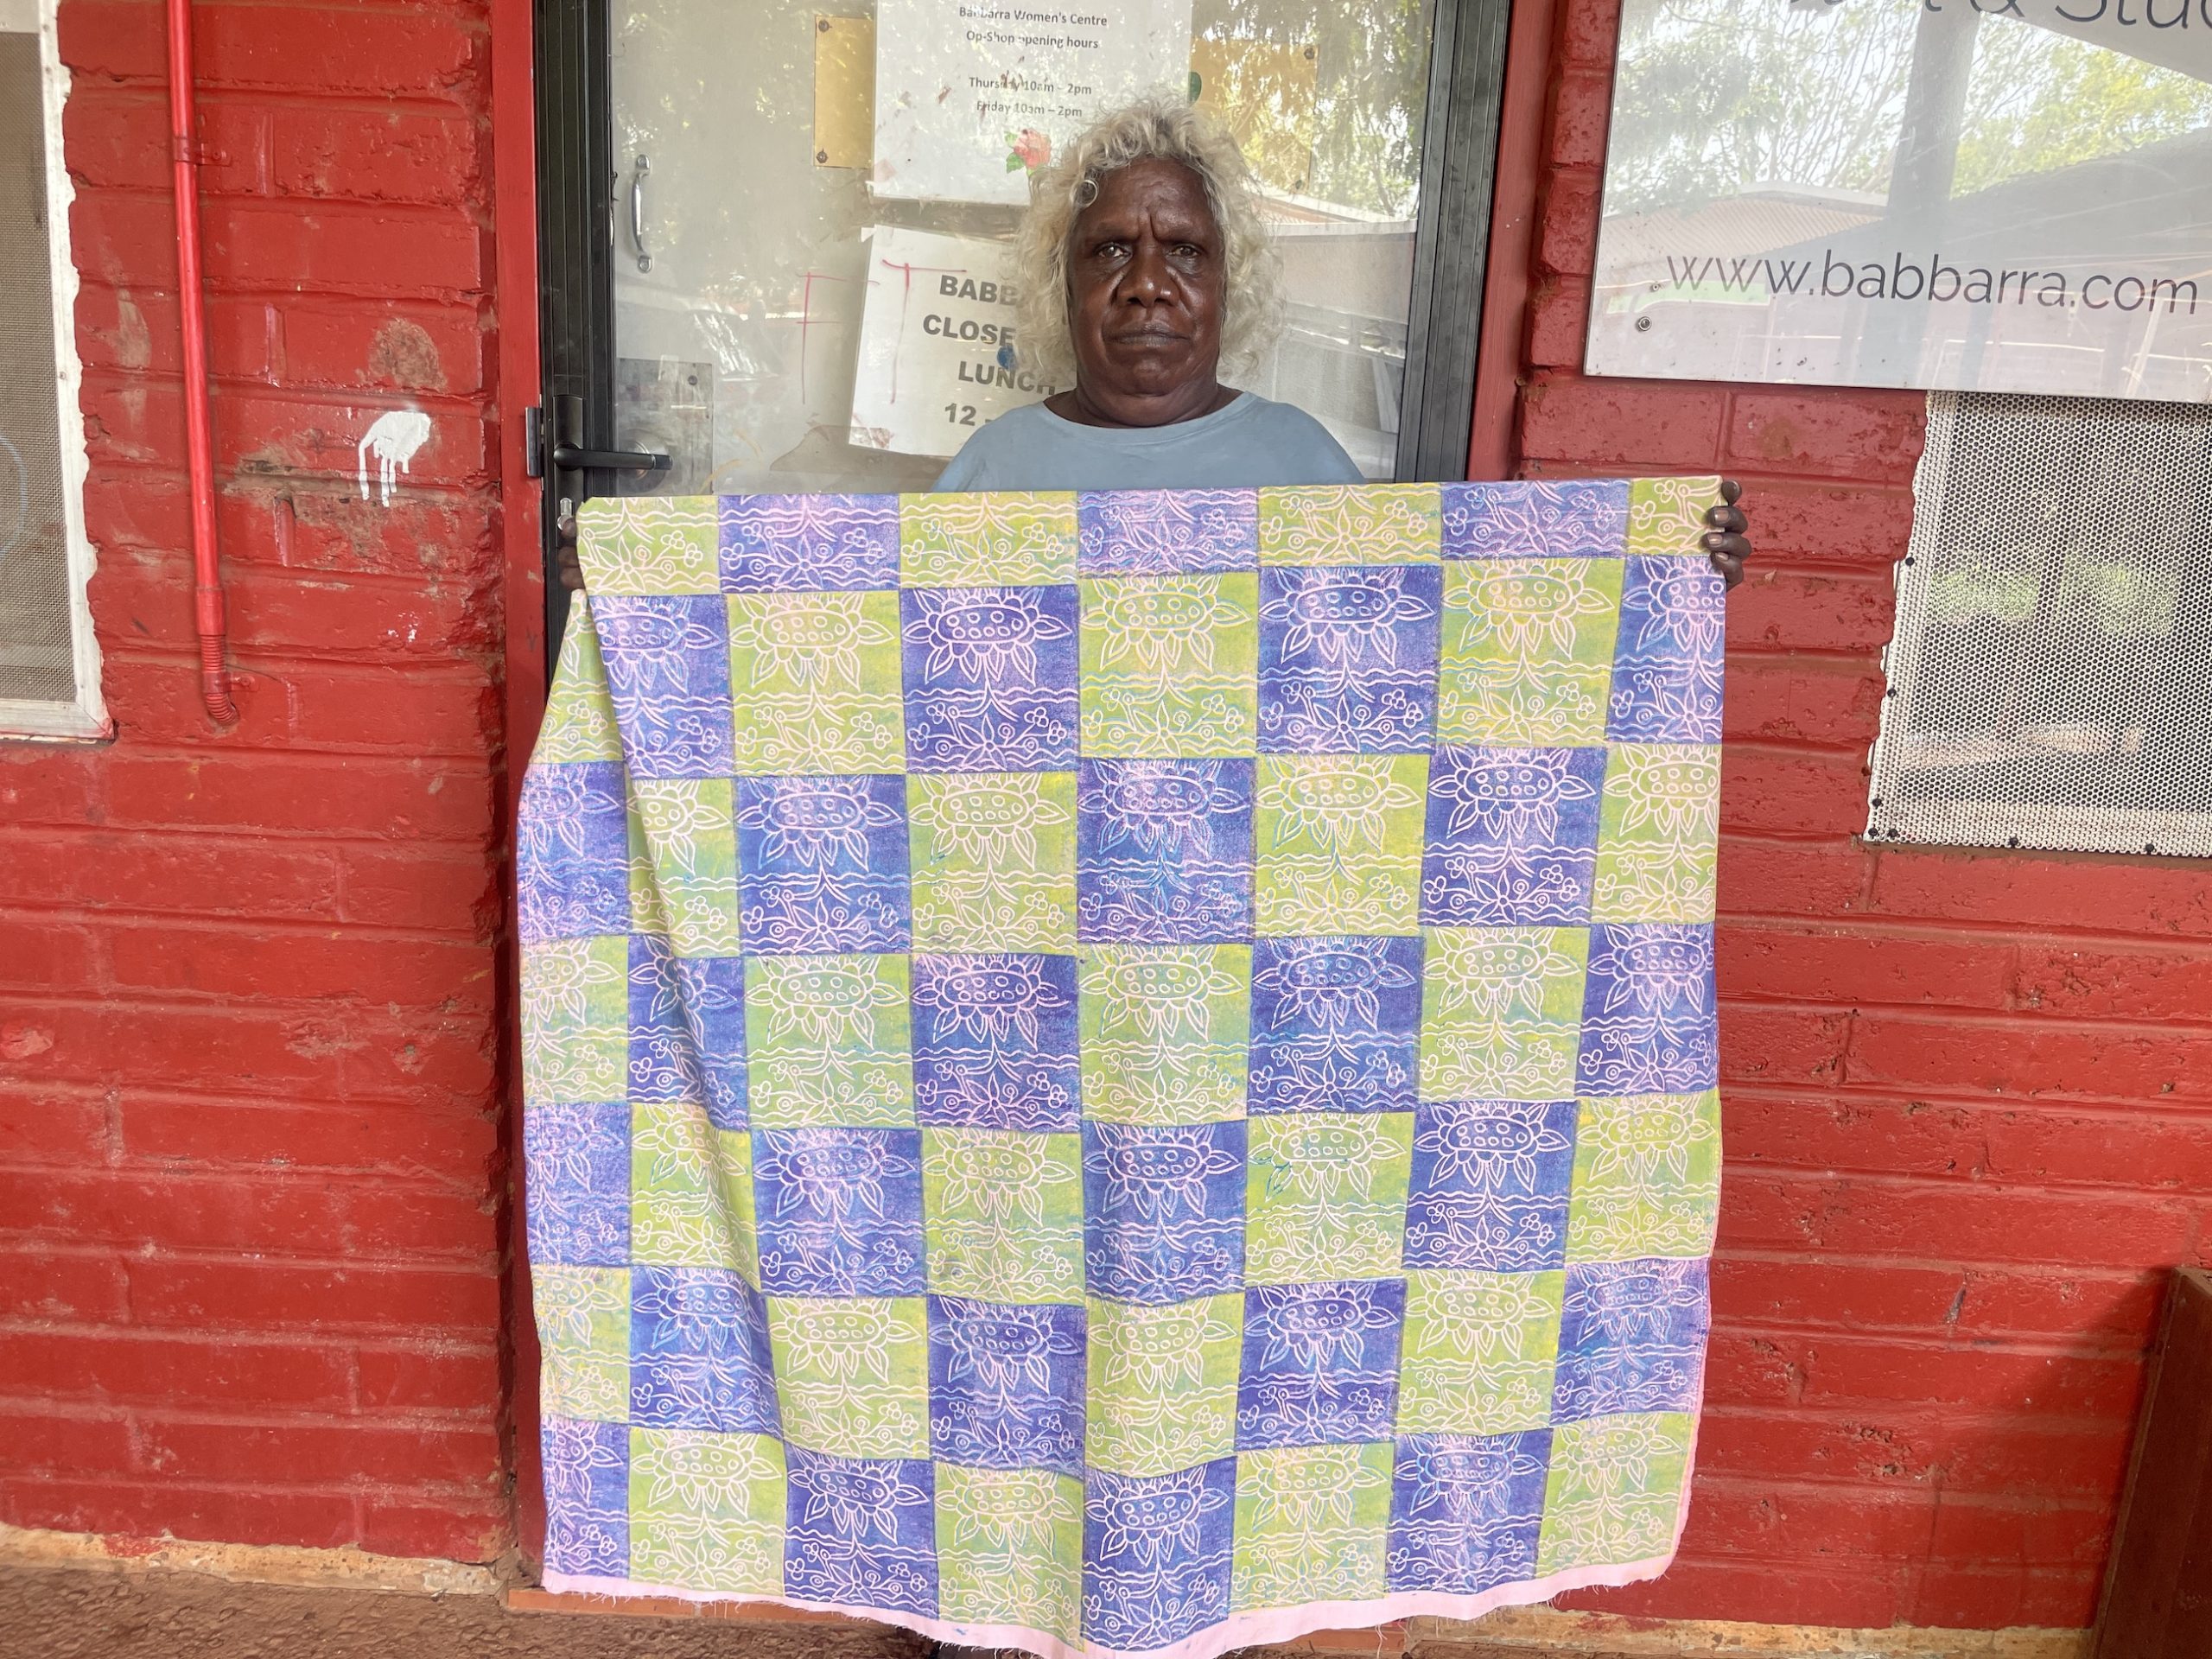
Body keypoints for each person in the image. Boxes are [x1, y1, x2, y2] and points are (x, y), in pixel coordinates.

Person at [933, 93, 1753, 583]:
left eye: (1184, 250)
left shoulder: (1302, 463)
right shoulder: (993, 472)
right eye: (1111, 249)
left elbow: (1437, 650)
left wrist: (1664, 576)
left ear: (1229, 283)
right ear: (1062, 281)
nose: (1148, 281)